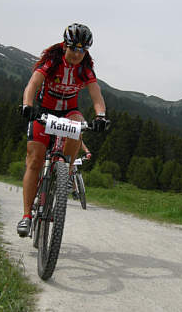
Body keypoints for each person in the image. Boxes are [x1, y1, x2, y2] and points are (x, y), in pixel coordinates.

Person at [17, 23, 109, 237]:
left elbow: (97, 96)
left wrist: (101, 116)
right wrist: (27, 105)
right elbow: (33, 84)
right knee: (34, 161)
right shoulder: (52, 60)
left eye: (82, 50)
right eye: (74, 48)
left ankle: (64, 174)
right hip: (44, 111)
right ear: (65, 45)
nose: (77, 54)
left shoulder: (85, 68)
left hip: (69, 112)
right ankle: (26, 216)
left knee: (79, 122)